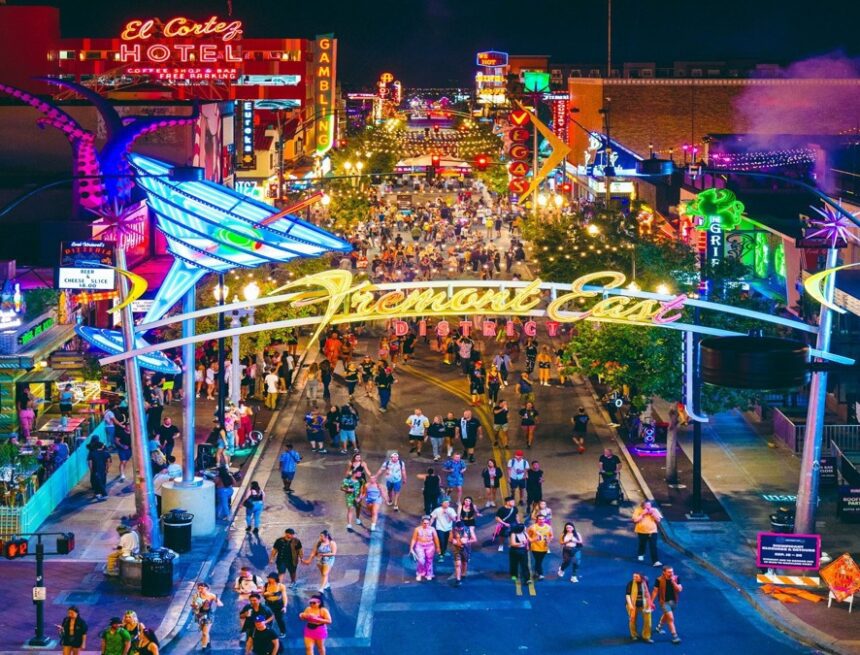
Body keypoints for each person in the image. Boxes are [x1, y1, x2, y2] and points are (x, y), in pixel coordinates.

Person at [652, 565, 683, 644]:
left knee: (666, 615)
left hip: (674, 602)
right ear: (664, 572)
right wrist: (651, 601)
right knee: (670, 618)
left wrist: (673, 582)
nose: (671, 573)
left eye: (672, 571)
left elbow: (679, 589)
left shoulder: (676, 578)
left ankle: (659, 627)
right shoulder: (659, 580)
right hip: (664, 602)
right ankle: (675, 636)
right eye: (669, 572)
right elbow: (655, 591)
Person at [191, 582, 222, 651]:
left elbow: (220, 603)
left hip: (208, 614)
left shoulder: (211, 595)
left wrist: (217, 601)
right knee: (203, 631)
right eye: (198, 588)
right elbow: (193, 605)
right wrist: (195, 606)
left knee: (205, 633)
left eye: (202, 588)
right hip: (200, 615)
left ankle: (204, 647)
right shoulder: (196, 596)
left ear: (206, 588)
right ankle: (207, 641)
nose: (200, 590)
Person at [632, 500, 663, 567]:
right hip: (641, 531)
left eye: (649, 505)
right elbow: (635, 520)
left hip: (652, 531)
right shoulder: (638, 510)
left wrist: (653, 514)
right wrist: (642, 514)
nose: (648, 507)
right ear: (643, 506)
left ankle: (655, 561)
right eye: (647, 506)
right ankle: (641, 554)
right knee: (642, 544)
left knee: (653, 546)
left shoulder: (654, 510)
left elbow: (658, 520)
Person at [409, 515, 441, 581]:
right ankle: (420, 573)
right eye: (424, 523)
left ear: (429, 523)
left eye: (427, 523)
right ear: (422, 523)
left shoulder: (432, 529)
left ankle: (429, 574)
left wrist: (438, 548)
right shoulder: (417, 529)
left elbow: (436, 539)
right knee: (421, 560)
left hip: (430, 546)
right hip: (419, 546)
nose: (426, 524)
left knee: (429, 560)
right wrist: (411, 548)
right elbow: (414, 539)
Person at [626, 572, 655, 643]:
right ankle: (634, 635)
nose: (634, 578)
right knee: (632, 620)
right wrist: (630, 605)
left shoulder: (645, 582)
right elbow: (628, 595)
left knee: (648, 621)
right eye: (634, 576)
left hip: (644, 604)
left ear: (641, 578)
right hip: (633, 604)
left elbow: (647, 592)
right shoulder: (630, 583)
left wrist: (650, 602)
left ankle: (646, 636)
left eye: (636, 577)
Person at [526, 514, 553, 580]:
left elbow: (551, 536)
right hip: (535, 547)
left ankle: (536, 571)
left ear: (545, 520)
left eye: (543, 519)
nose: (541, 520)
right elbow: (526, 534)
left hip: (544, 547)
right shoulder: (532, 527)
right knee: (538, 561)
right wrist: (530, 542)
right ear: (537, 520)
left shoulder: (548, 527)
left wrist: (548, 540)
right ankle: (541, 574)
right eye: (540, 519)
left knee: (539, 561)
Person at [261, 572, 288, 638]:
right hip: (268, 603)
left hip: (278, 604)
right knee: (267, 617)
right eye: (268, 578)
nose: (269, 579)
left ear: (275, 578)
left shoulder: (281, 586)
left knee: (279, 618)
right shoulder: (266, 585)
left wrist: (284, 606)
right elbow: (262, 594)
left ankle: (283, 632)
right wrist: (267, 594)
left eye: (270, 578)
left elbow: (284, 596)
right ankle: (267, 630)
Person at [450, 520, 476, 586]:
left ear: (463, 527)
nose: (459, 529)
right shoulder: (453, 530)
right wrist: (454, 541)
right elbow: (450, 539)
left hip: (466, 549)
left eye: (460, 528)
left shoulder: (469, 529)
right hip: (457, 549)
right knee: (458, 564)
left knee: (464, 563)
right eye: (458, 528)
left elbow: (474, 539)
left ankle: (463, 574)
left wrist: (466, 541)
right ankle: (458, 579)